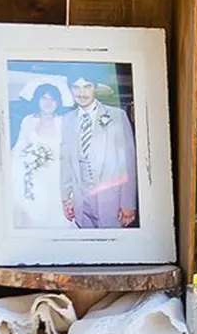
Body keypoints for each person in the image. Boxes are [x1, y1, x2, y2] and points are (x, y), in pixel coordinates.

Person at [60, 71, 138, 229]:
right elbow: (65, 160)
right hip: (81, 200)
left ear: (95, 88)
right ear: (70, 90)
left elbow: (128, 162)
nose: (82, 93)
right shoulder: (67, 119)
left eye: (87, 87)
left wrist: (128, 202)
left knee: (113, 249)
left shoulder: (117, 116)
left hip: (111, 199)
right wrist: (65, 197)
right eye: (76, 88)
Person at [11, 83, 72, 229]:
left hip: (58, 176)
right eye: (44, 98)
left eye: (52, 99)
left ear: (58, 102)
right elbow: (20, 147)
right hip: (35, 177)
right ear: (37, 100)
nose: (48, 103)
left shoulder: (64, 121)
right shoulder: (28, 121)